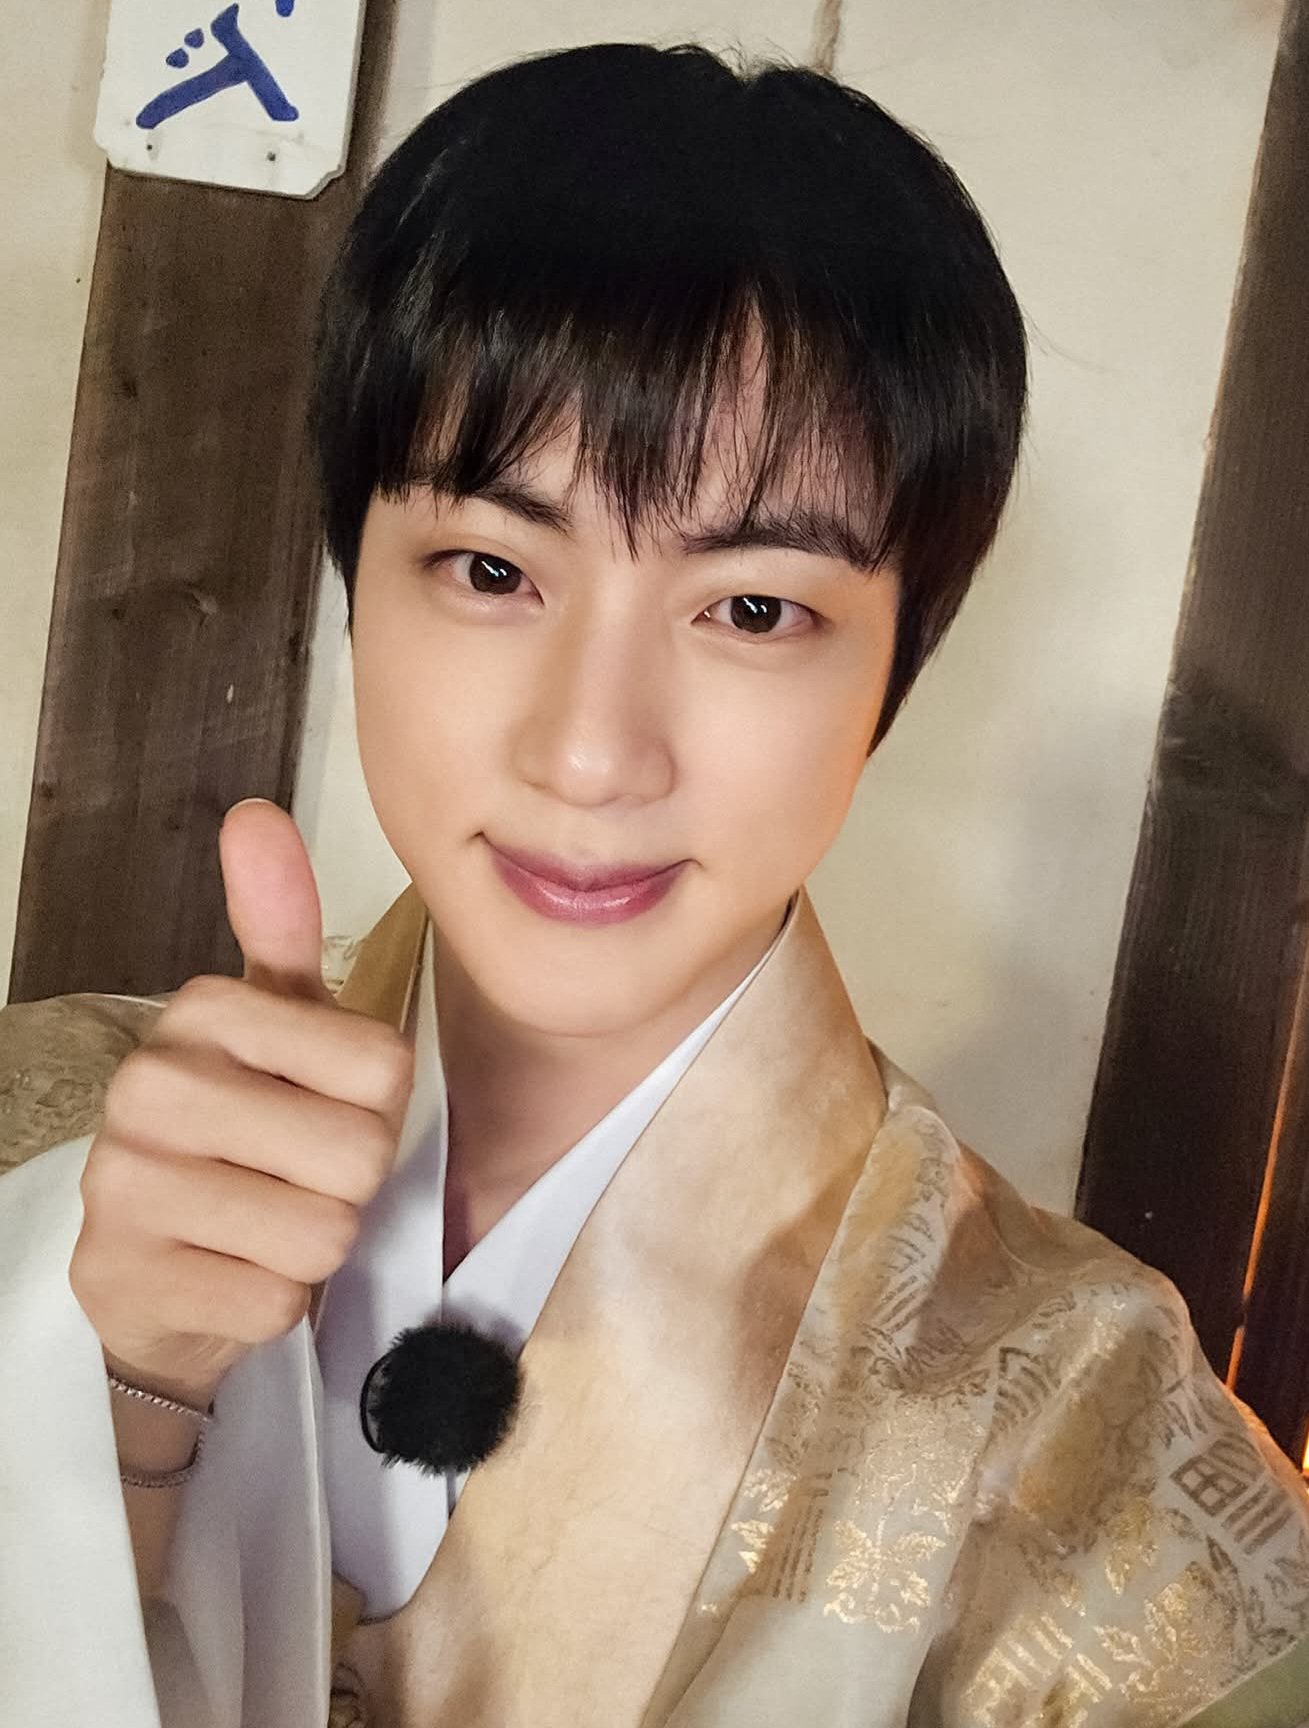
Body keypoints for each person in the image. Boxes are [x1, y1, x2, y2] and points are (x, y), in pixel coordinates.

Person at [1, 39, 1306, 1728]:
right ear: (356, 582)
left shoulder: (1098, 1466)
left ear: (892, 668)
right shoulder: (39, 1126)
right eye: (490, 568)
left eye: (753, 609)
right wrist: (103, 1384)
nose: (590, 752)